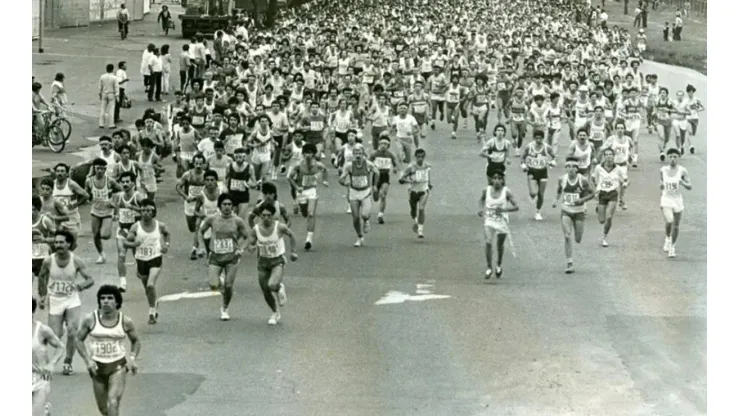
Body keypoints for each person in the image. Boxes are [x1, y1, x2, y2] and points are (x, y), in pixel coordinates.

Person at [76, 285, 141, 416]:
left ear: (117, 302)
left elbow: (136, 341)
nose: (105, 301)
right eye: (102, 298)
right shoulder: (90, 319)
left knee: (113, 402)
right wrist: (87, 360)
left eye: (110, 298)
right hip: (97, 366)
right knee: (103, 409)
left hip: (117, 365)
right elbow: (78, 340)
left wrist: (132, 359)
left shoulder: (125, 321)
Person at [38, 230, 95, 376]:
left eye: (61, 242)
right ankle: (59, 331)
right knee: (55, 335)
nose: (58, 245)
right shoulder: (48, 260)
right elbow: (42, 276)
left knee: (72, 331)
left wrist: (81, 285)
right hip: (55, 299)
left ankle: (68, 361)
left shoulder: (76, 261)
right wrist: (42, 296)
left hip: (71, 300)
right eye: (56, 242)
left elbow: (90, 279)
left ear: (68, 244)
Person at [246, 203, 299, 325]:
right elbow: (252, 241)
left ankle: (279, 287)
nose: (266, 218)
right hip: (263, 262)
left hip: (277, 260)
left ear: (273, 216)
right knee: (265, 290)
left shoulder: (279, 227)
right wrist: (251, 246)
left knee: (272, 285)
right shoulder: (256, 229)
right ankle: (275, 312)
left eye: (269, 215)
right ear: (259, 216)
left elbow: (291, 235)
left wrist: (293, 252)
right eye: (263, 215)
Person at [199, 193, 250, 320]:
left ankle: (225, 308)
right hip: (216, 256)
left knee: (228, 285)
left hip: (232, 256)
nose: (227, 207)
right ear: (219, 206)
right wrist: (201, 246)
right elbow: (201, 231)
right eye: (224, 204)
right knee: (213, 285)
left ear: (233, 207)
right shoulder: (212, 219)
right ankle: (221, 284)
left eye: (229, 205)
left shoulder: (238, 221)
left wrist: (241, 249)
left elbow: (247, 237)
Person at [124, 199, 171, 324]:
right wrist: (134, 243)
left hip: (155, 257)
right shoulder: (136, 226)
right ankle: (154, 302)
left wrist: (166, 245)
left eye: (148, 210)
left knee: (150, 284)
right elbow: (126, 242)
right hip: (141, 260)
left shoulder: (160, 225)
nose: (145, 213)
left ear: (153, 211)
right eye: (143, 210)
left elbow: (167, 234)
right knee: (147, 288)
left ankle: (151, 311)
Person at [552, 157, 595, 274]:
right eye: (568, 166)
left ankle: (577, 236)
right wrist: (556, 200)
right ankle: (569, 263)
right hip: (566, 210)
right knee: (567, 235)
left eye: (573, 167)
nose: (571, 169)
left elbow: (593, 193)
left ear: (577, 169)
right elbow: (559, 190)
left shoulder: (583, 180)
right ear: (566, 168)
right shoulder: (562, 179)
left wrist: (582, 200)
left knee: (578, 238)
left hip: (579, 212)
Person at [478, 167, 519, 279]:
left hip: (502, 221)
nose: (496, 181)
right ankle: (489, 267)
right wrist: (481, 209)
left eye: (499, 178)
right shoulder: (486, 190)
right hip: (489, 220)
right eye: (494, 178)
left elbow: (516, 207)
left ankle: (499, 264)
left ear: (503, 180)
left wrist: (504, 210)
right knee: (488, 241)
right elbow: (481, 200)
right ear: (491, 180)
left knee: (499, 245)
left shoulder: (507, 192)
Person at [287, 143, 330, 250]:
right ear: (303, 154)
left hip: (312, 190)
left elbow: (325, 170)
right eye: (306, 153)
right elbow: (290, 177)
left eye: (310, 153)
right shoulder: (298, 165)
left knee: (311, 214)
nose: (308, 155)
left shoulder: (318, 165)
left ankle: (309, 239)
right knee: (305, 213)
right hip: (301, 192)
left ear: (314, 154)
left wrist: (325, 180)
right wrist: (297, 187)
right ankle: (299, 205)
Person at [339, 146, 379, 247]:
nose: (358, 156)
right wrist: (343, 182)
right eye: (356, 153)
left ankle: (366, 221)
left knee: (365, 215)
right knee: (356, 217)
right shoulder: (349, 166)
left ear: (363, 154)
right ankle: (359, 236)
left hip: (365, 192)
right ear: (353, 155)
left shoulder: (368, 164)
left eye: (360, 153)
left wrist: (374, 185)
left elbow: (377, 172)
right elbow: (342, 178)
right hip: (353, 193)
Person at [85, 158, 122, 264]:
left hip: (107, 211)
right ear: (94, 168)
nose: (100, 171)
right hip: (95, 210)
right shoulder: (89, 181)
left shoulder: (110, 180)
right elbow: (86, 193)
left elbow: (121, 191)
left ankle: (106, 228)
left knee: (105, 235)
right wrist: (87, 198)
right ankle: (101, 255)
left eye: (102, 168)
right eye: (98, 168)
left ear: (105, 169)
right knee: (95, 234)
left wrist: (114, 204)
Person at [112, 171, 145, 292]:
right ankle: (122, 283)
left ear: (132, 183)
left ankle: (140, 269)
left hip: (135, 231)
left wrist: (134, 208)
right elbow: (117, 209)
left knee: (138, 256)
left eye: (127, 182)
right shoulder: (119, 196)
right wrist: (115, 215)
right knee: (121, 254)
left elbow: (149, 211)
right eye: (123, 182)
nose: (125, 184)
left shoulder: (138, 196)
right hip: (122, 230)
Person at [32, 297, 65, 416]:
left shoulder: (42, 330)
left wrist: (52, 364)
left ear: (32, 312)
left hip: (41, 377)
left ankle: (43, 409)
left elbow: (60, 347)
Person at [591, 148, 628, 248]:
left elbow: (625, 179)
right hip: (602, 193)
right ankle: (598, 208)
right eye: (606, 154)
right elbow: (594, 177)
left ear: (613, 156)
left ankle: (604, 237)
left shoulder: (618, 168)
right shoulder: (598, 168)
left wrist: (624, 184)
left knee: (609, 217)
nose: (608, 156)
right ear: (604, 157)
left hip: (612, 193)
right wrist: (596, 188)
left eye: (610, 154)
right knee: (601, 220)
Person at [660, 148, 692, 258]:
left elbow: (690, 186)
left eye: (675, 157)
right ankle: (667, 238)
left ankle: (672, 247)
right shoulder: (663, 170)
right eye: (671, 157)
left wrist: (682, 183)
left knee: (676, 225)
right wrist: (661, 186)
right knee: (669, 220)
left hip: (677, 199)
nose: (673, 159)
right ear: (668, 158)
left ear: (678, 158)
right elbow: (661, 181)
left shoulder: (682, 170)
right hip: (666, 198)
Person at [399, 148, 433, 238]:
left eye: (422, 157)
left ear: (424, 157)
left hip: (424, 191)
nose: (420, 159)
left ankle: (420, 230)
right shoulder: (411, 167)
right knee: (413, 211)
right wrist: (410, 180)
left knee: (421, 209)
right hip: (413, 192)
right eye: (418, 157)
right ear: (415, 157)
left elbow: (428, 175)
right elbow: (401, 179)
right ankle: (415, 220)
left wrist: (429, 184)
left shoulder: (427, 166)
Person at [32, 197, 56, 280]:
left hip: (43, 257)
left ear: (38, 208)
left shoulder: (45, 220)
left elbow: (59, 238)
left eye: (33, 209)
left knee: (42, 291)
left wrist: (44, 240)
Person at [99, 63, 120, 129]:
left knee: (103, 109)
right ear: (112, 69)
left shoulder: (102, 76)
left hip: (104, 93)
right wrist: (117, 95)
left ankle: (101, 123)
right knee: (111, 110)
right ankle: (111, 124)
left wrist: (100, 93)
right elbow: (116, 87)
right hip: (111, 94)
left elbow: (100, 86)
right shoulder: (114, 77)